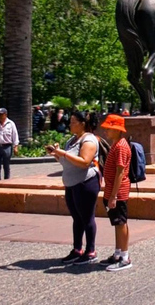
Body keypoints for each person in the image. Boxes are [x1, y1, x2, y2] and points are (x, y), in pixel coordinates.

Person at [48, 111, 100, 265]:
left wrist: (63, 153)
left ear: (82, 123)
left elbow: (84, 162)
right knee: (77, 218)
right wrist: (57, 154)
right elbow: (68, 162)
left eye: (73, 122)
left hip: (86, 183)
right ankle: (77, 249)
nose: (70, 124)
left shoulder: (89, 140)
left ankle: (91, 251)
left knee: (87, 217)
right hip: (71, 184)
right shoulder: (72, 140)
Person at [99, 114, 133, 271]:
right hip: (113, 190)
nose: (106, 130)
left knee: (120, 223)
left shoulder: (120, 146)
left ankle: (125, 257)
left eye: (109, 128)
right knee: (117, 222)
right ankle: (118, 253)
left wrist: (113, 195)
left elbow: (120, 172)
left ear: (117, 130)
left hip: (118, 191)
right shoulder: (117, 144)